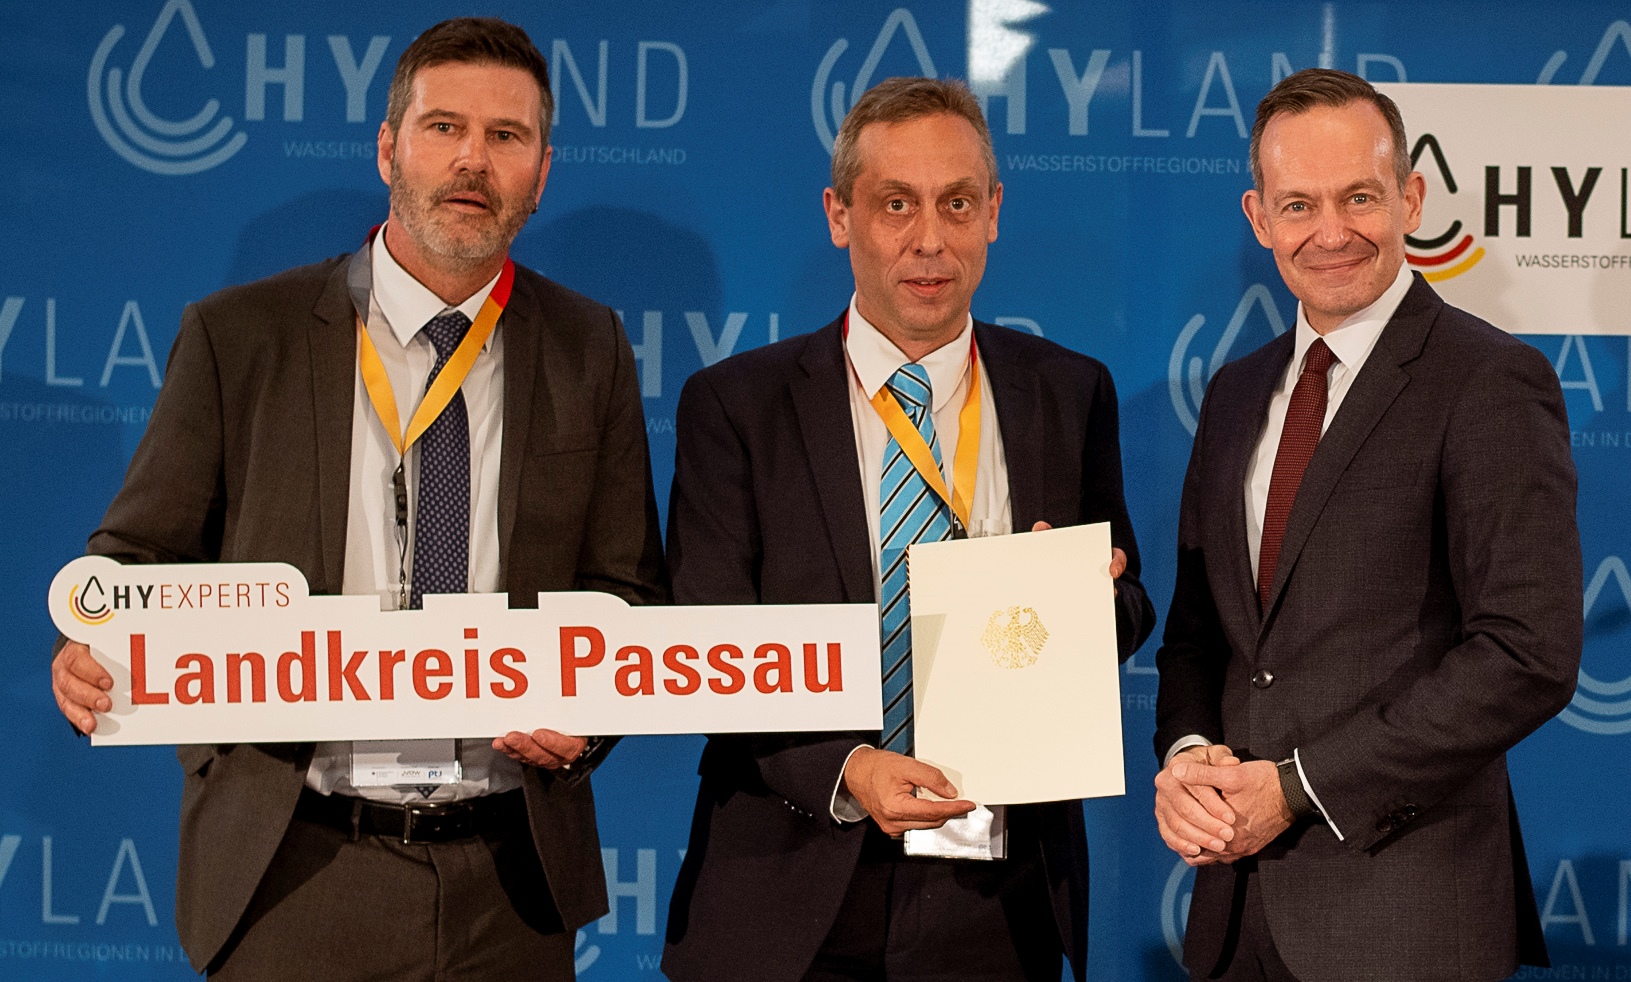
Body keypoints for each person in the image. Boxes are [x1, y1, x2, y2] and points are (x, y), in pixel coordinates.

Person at [48, 17, 666, 980]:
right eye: (443, 127)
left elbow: (624, 589)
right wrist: (93, 647)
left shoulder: (589, 347)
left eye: (507, 138)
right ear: (388, 148)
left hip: (510, 880)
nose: (473, 160)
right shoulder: (239, 336)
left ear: (542, 171)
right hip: (295, 863)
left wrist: (592, 714)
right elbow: (136, 563)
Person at [660, 76, 1154, 982]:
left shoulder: (1066, 391)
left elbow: (1128, 608)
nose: (930, 239)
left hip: (998, 894)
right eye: (896, 204)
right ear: (839, 214)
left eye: (956, 203)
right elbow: (706, 650)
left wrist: (1088, 601)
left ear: (994, 212)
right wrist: (847, 769)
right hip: (790, 884)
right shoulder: (737, 406)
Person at [1152, 68, 1581, 982]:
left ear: (1410, 197)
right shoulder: (1232, 395)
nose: (1331, 231)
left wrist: (1298, 788)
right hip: (1235, 918)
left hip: (1408, 919)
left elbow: (1526, 651)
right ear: (1259, 218)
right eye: (1298, 204)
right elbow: (1198, 635)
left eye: (1359, 196)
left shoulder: (1487, 380)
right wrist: (1189, 760)